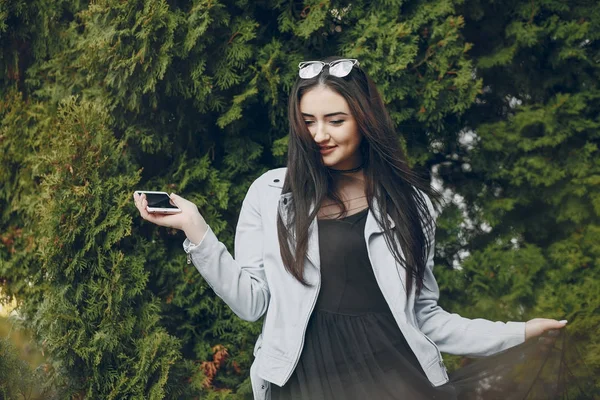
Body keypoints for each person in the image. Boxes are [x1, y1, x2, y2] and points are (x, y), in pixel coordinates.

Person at [133, 57, 576, 400]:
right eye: (308, 122)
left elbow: (426, 317)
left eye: (335, 120)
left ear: (365, 120)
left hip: (390, 377)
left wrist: (516, 333)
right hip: (304, 380)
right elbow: (253, 303)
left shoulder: (409, 204)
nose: (319, 134)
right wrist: (197, 232)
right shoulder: (271, 193)